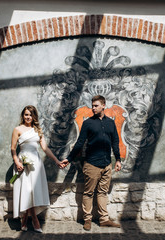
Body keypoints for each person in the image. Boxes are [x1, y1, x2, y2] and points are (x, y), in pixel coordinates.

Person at [61, 95, 122, 231]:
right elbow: (80, 143)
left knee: (102, 192)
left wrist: (118, 159)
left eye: (96, 105)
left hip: (107, 164)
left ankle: (104, 219)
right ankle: (87, 219)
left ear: (103, 106)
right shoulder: (88, 123)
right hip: (92, 164)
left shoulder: (111, 123)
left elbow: (115, 142)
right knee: (88, 193)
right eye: (92, 105)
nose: (93, 108)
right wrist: (69, 158)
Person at [11, 105, 63, 232]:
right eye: (26, 114)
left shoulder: (38, 130)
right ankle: (35, 220)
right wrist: (17, 162)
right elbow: (13, 149)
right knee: (26, 191)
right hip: (22, 163)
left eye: (30, 115)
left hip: (35, 164)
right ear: (23, 116)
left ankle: (24, 220)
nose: (28, 117)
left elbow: (45, 148)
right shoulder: (17, 129)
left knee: (32, 192)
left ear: (34, 116)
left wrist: (56, 160)